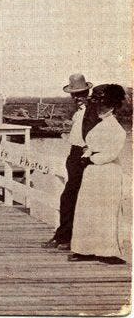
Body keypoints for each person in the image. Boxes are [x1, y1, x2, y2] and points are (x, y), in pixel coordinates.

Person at [69, 84, 128, 265]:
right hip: (93, 173)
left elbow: (111, 153)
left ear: (113, 106)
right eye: (98, 104)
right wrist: (86, 156)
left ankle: (107, 251)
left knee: (106, 211)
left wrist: (91, 159)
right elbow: (90, 145)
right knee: (86, 209)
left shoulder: (117, 129)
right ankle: (84, 248)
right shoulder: (99, 124)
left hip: (107, 173)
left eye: (104, 104)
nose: (99, 108)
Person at [42, 73, 98, 251]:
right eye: (74, 94)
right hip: (74, 154)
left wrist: (87, 153)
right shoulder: (79, 112)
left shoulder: (94, 111)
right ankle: (63, 236)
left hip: (84, 155)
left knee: (72, 197)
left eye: (80, 94)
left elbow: (96, 135)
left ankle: (68, 238)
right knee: (68, 197)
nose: (76, 98)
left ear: (87, 92)